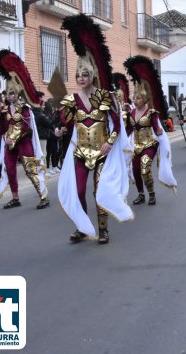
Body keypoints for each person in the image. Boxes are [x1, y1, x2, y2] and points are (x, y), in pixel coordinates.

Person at [57, 13, 133, 245]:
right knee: (78, 190)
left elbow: (117, 124)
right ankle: (82, 227)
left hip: (101, 152)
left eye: (85, 74)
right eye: (78, 74)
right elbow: (66, 122)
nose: (81, 78)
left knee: (99, 192)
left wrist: (109, 142)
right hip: (80, 152)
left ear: (92, 76)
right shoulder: (70, 100)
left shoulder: (105, 97)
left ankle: (103, 230)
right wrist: (60, 129)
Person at [0, 50, 49, 210]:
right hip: (10, 144)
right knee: (9, 169)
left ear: (17, 93)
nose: (9, 96)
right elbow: (3, 129)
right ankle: (15, 198)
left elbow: (26, 128)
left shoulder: (25, 109)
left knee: (31, 170)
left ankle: (43, 196)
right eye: (7, 94)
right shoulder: (4, 111)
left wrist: (13, 138)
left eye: (12, 93)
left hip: (24, 142)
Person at [123, 54, 177, 206]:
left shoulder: (151, 112)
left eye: (138, 98)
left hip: (150, 144)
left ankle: (151, 194)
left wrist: (160, 130)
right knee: (135, 170)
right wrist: (117, 140)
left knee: (145, 167)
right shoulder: (131, 113)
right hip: (136, 145)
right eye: (134, 98)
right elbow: (128, 129)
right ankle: (141, 194)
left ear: (145, 99)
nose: (135, 100)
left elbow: (157, 127)